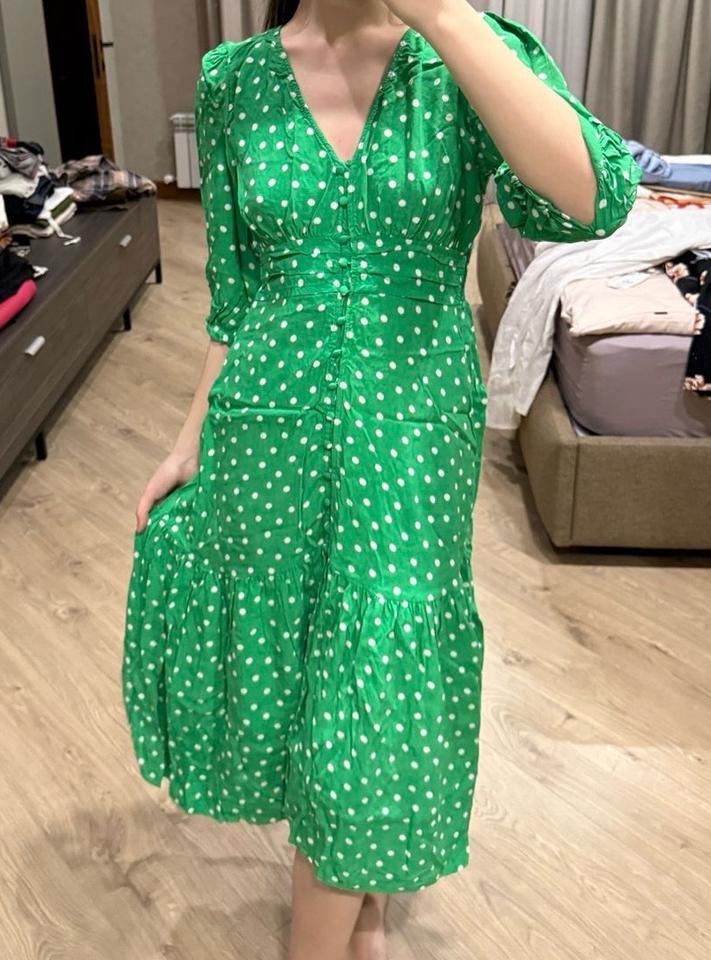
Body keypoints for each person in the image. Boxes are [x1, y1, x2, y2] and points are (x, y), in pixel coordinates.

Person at [120, 2, 640, 958]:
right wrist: (190, 439)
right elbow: (236, 301)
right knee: (305, 674)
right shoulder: (234, 80)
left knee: (375, 682)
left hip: (409, 438)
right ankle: (359, 914)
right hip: (265, 431)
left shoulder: (463, 58)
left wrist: (440, 14)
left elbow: (594, 197)